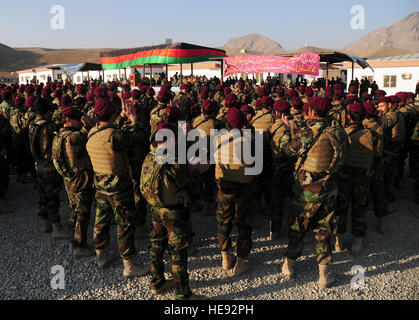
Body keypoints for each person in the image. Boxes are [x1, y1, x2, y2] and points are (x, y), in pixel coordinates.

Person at [279, 96, 347, 289]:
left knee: (298, 225)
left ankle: (289, 266)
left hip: (307, 188)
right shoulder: (338, 131)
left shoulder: (308, 132)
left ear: (313, 112)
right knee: (325, 228)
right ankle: (324, 275)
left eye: (308, 110)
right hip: (329, 185)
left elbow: (288, 150)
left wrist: (286, 131)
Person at [140, 123, 206, 300]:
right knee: (178, 252)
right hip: (174, 213)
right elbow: (192, 187)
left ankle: (157, 282)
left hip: (155, 209)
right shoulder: (174, 161)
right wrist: (196, 170)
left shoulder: (150, 155)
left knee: (157, 244)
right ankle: (183, 294)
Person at [86, 96, 148, 277]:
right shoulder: (116, 136)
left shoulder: (92, 132)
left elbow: (110, 128)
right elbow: (138, 137)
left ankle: (101, 255)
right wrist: (134, 120)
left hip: (99, 186)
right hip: (119, 188)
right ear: (112, 113)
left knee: (101, 221)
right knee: (125, 225)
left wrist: (120, 117)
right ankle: (129, 265)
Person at [214, 107, 257, 275]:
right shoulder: (251, 142)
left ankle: (225, 256)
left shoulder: (218, 140)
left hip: (224, 187)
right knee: (244, 224)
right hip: (244, 188)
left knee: (223, 221)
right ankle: (241, 261)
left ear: (227, 124)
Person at [52, 106, 95, 258]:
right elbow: (91, 136)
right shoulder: (74, 137)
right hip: (80, 179)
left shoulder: (60, 135)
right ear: (69, 120)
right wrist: (88, 124)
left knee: (75, 210)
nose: (80, 122)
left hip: (69, 179)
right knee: (82, 213)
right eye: (78, 120)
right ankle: (79, 246)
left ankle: (73, 240)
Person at [334, 102, 376, 255]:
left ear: (349, 116)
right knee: (360, 208)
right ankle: (357, 242)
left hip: (343, 177)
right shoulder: (372, 134)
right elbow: (376, 155)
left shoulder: (340, 133)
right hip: (362, 178)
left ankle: (338, 240)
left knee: (340, 208)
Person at [29, 97, 70, 239]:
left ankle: (45, 222)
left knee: (42, 194)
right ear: (48, 111)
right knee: (52, 197)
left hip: (38, 165)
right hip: (49, 167)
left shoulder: (32, 124)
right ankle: (56, 227)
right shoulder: (49, 126)